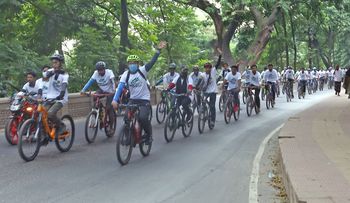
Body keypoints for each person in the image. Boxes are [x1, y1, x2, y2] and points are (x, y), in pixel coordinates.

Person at [112, 41, 167, 144]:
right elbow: (120, 87)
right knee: (126, 118)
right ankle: (128, 135)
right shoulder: (125, 74)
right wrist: (115, 100)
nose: (132, 65)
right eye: (130, 63)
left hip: (144, 100)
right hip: (133, 99)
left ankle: (148, 135)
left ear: (138, 64)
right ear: (128, 64)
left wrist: (158, 50)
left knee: (143, 118)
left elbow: (152, 62)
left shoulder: (143, 70)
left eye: (134, 63)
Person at [38, 54, 69, 135]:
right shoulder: (51, 71)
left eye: (56, 62)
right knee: (41, 113)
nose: (54, 64)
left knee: (51, 114)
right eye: (53, 63)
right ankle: (45, 131)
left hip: (60, 98)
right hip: (50, 97)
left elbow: (64, 85)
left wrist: (61, 94)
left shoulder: (65, 74)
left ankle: (61, 126)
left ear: (60, 63)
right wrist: (53, 72)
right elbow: (45, 75)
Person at [202, 49, 222, 128]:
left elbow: (218, 64)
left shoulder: (213, 71)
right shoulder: (202, 75)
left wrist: (220, 55)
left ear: (211, 68)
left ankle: (212, 120)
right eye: (206, 67)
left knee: (212, 106)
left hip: (213, 91)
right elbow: (200, 82)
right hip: (206, 92)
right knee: (203, 103)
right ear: (204, 68)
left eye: (209, 67)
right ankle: (204, 113)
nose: (207, 69)